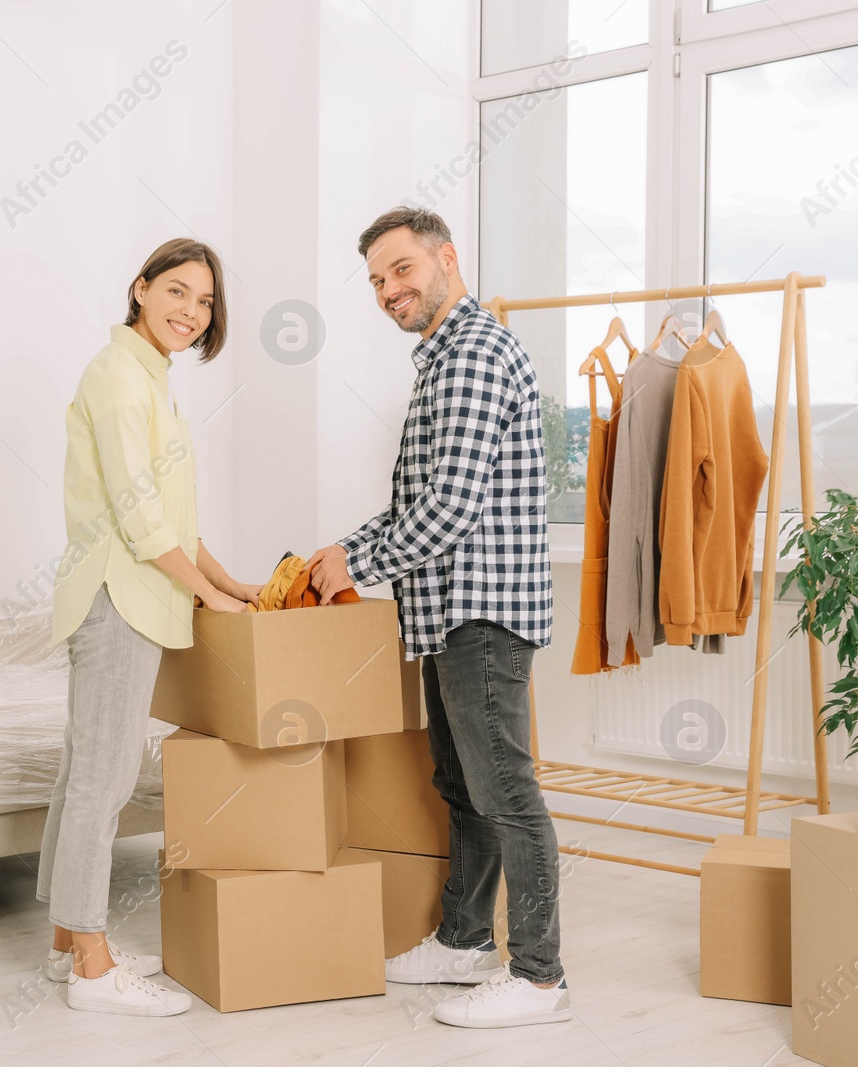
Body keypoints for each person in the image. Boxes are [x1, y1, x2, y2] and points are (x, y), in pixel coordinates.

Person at [308, 207, 569, 1029]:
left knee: (506, 793)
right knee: (462, 787)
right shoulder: (443, 359)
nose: (390, 290)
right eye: (378, 279)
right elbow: (420, 503)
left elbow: (450, 509)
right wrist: (343, 550)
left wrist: (358, 562)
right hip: (447, 613)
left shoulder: (474, 354)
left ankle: (538, 977)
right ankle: (462, 940)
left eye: (401, 270)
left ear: (446, 258)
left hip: (481, 614)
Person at [37, 237, 259, 1018]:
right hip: (116, 596)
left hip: (130, 594)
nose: (190, 312)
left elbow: (171, 513)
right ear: (139, 289)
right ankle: (94, 969)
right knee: (104, 780)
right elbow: (138, 519)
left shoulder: (148, 379)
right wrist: (209, 594)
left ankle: (72, 941)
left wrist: (227, 583)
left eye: (204, 303)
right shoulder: (121, 380)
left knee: (84, 772)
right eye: (176, 291)